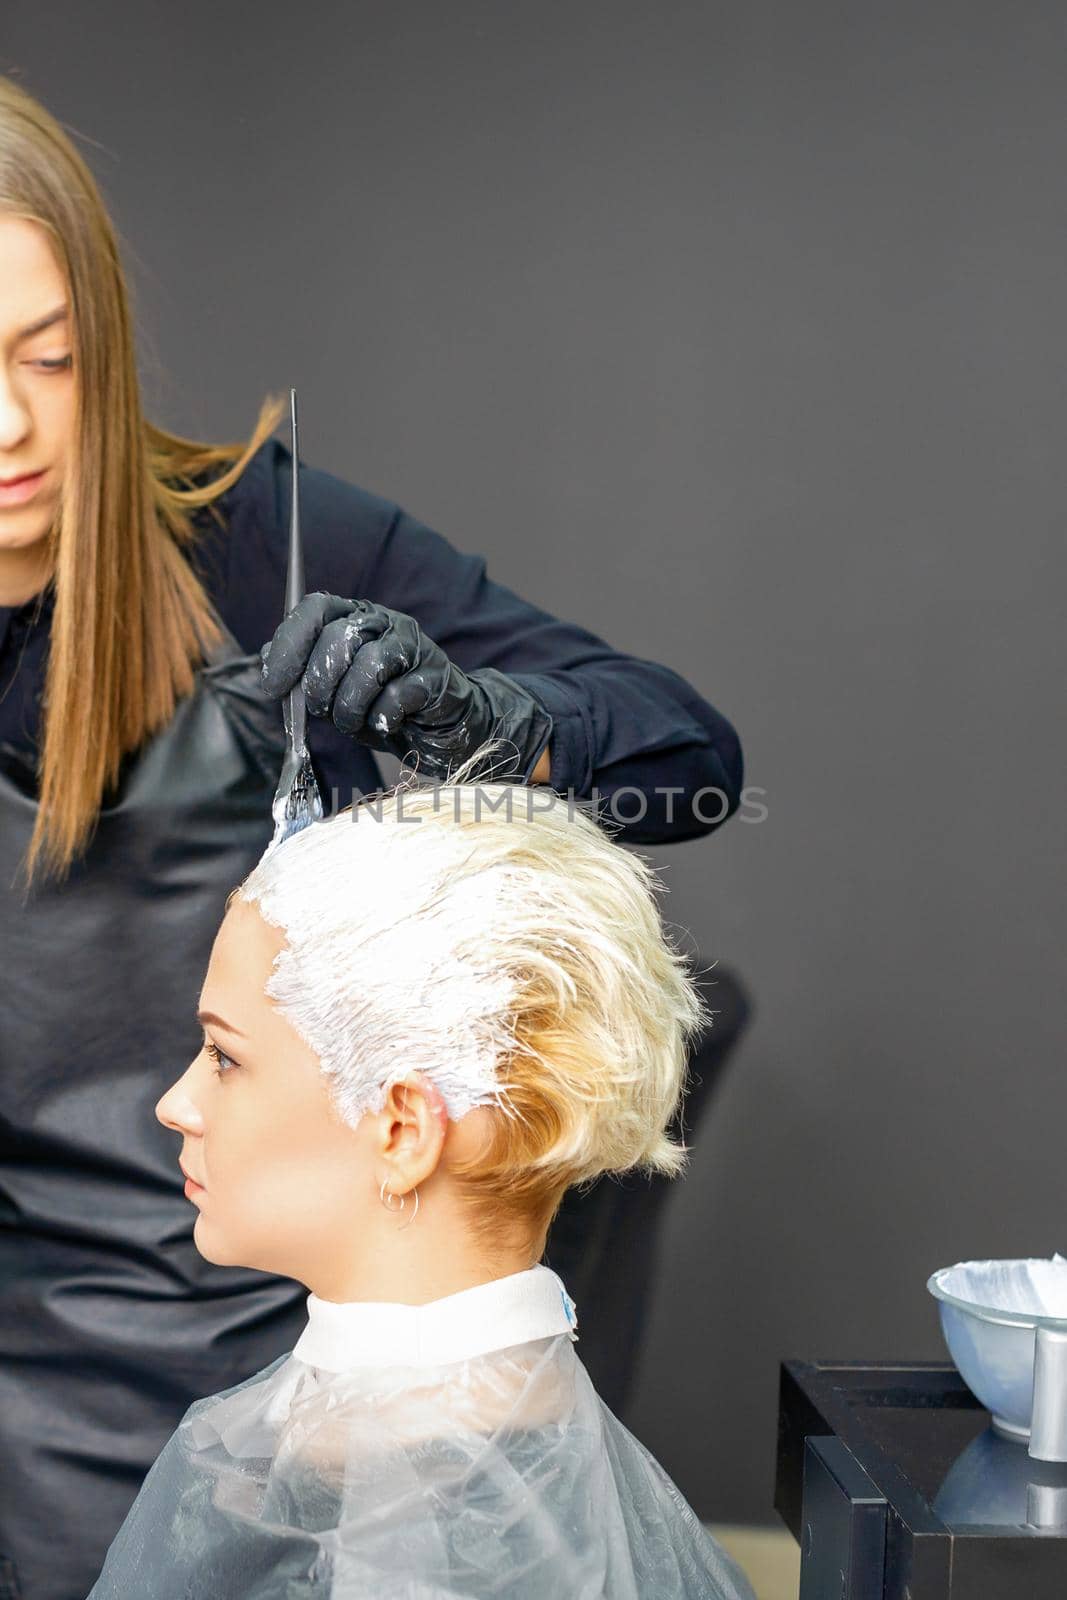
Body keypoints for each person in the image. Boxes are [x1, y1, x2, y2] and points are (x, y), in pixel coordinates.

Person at [0, 74, 744, 1600]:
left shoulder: (253, 543)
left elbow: (687, 759)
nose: (12, 424)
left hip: (263, 1409)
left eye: (52, 359)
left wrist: (485, 726)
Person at [88, 753, 756, 1599]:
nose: (174, 1104)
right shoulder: (555, 1476)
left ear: (402, 1129)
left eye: (223, 1056)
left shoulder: (381, 1513)